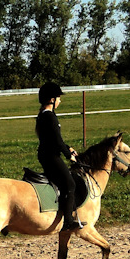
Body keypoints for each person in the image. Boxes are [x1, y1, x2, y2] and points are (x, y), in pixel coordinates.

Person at [36, 81, 85, 231]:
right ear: (52, 100)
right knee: (70, 183)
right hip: (51, 156)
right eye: (58, 98)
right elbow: (56, 140)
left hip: (47, 154)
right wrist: (67, 155)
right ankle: (68, 222)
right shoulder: (50, 116)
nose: (60, 100)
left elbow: (55, 139)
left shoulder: (43, 115)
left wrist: (68, 148)